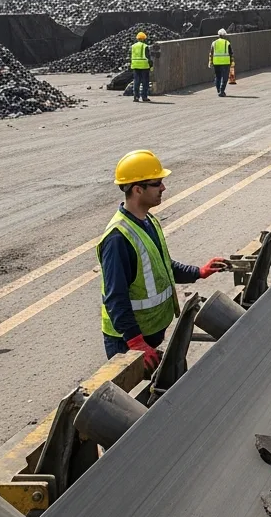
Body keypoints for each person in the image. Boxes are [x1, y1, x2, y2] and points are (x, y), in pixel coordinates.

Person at [100, 150, 228, 367]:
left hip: (149, 333)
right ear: (138, 189)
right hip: (129, 341)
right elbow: (116, 297)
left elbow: (163, 267)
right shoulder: (117, 238)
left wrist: (199, 272)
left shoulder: (148, 221)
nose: (163, 188)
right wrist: (135, 342)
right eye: (157, 183)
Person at [210, 29, 233, 97]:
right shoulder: (227, 42)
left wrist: (210, 62)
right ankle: (222, 91)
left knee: (218, 77)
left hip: (216, 62)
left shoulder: (214, 43)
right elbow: (231, 53)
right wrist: (232, 61)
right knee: (225, 77)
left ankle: (218, 90)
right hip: (225, 62)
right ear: (224, 35)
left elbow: (211, 53)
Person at [130, 32, 152, 103]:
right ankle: (144, 97)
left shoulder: (133, 46)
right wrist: (151, 66)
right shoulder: (145, 46)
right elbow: (148, 57)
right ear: (144, 39)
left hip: (135, 66)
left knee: (136, 82)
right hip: (144, 66)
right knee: (145, 82)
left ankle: (136, 97)